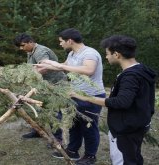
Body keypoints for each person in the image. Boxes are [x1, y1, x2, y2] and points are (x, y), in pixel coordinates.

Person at [70, 35, 156, 165]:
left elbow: (121, 102)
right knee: (134, 157)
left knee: (124, 160)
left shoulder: (130, 76)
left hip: (126, 128)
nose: (106, 57)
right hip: (137, 124)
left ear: (116, 54)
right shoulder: (141, 69)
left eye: (107, 54)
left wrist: (84, 97)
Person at [34, 28, 106, 165]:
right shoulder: (72, 53)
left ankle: (90, 156)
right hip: (74, 95)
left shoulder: (90, 53)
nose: (60, 44)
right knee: (74, 125)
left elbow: (88, 70)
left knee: (89, 127)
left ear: (70, 41)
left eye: (61, 41)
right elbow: (63, 67)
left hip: (91, 97)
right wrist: (46, 66)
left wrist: (57, 65)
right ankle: (73, 150)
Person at [14, 33, 66, 141]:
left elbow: (44, 68)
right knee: (39, 107)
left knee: (53, 111)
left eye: (23, 45)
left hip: (55, 84)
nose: (21, 48)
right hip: (43, 84)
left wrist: (26, 76)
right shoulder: (31, 51)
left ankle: (58, 139)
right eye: (20, 46)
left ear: (30, 42)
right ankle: (38, 131)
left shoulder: (40, 52)